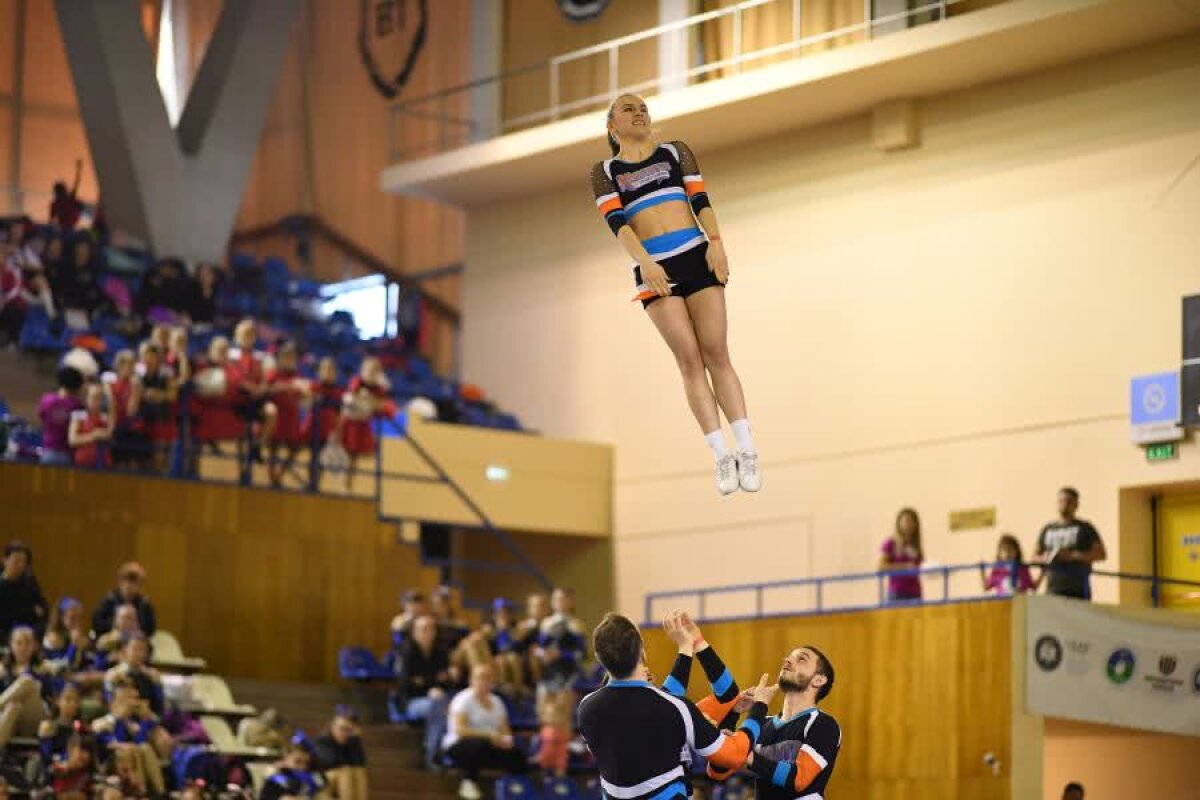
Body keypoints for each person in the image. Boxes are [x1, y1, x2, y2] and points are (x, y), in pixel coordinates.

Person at [591, 94, 759, 496]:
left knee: (716, 351)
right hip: (655, 267)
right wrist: (646, 263)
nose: (640, 112)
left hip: (695, 254)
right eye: (629, 109)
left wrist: (716, 242)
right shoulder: (606, 170)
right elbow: (618, 223)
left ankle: (747, 449)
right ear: (612, 126)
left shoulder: (674, 152)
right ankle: (720, 454)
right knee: (689, 359)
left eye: (644, 107)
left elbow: (700, 200)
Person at [577, 612, 771, 800]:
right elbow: (734, 755)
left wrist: (687, 647)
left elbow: (665, 701)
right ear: (641, 650)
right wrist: (760, 707)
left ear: (599, 658)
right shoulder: (673, 708)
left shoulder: (586, 708)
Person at [443, 663, 527, 800]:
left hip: (490, 746)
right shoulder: (462, 700)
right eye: (480, 677)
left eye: (488, 678)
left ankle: (515, 789)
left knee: (517, 754)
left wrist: (506, 741)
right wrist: (488, 735)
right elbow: (460, 730)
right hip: (459, 745)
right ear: (471, 680)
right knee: (478, 745)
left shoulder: (497, 702)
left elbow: (506, 731)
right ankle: (468, 782)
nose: (484, 681)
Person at [395, 614, 458, 769]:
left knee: (450, 704)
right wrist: (432, 684)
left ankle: (448, 751)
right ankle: (433, 755)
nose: (428, 632)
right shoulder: (407, 651)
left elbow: (447, 682)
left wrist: (443, 678)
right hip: (411, 702)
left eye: (431, 628)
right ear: (414, 632)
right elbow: (405, 684)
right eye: (423, 629)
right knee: (438, 704)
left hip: (438, 700)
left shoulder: (440, 652)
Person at [1035, 487, 1106, 601]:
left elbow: (1101, 554)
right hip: (1053, 589)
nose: (1064, 504)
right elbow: (1034, 556)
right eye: (1061, 501)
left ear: (1076, 504)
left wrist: (1072, 556)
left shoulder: (1085, 528)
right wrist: (1046, 558)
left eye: (1068, 501)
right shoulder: (1047, 529)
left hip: (1078, 590)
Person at [340, 356, 393, 493]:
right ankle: (343, 484)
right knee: (345, 454)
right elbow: (349, 399)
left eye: (375, 371)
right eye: (369, 370)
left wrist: (374, 403)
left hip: (362, 426)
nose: (372, 373)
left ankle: (348, 485)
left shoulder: (378, 389)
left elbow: (385, 407)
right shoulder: (356, 382)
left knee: (354, 457)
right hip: (349, 423)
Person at [230, 318, 278, 464]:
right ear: (237, 336)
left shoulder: (261, 357)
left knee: (271, 411)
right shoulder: (231, 354)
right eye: (245, 334)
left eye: (251, 334)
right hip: (236, 400)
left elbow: (268, 375)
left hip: (256, 399)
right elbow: (232, 375)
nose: (248, 338)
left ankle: (257, 446)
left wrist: (262, 387)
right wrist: (248, 387)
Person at [0, 626, 53, 749]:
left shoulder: (43, 668)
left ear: (34, 646)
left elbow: (49, 698)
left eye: (28, 643)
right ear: (11, 645)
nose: (23, 648)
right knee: (13, 706)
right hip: (10, 718)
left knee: (27, 681)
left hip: (36, 717)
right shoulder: (4, 671)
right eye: (19, 643)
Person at [266, 341, 309, 488]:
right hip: (278, 417)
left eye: (292, 358)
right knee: (274, 448)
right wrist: (283, 387)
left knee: (295, 447)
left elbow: (304, 398)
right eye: (287, 358)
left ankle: (280, 475)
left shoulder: (298, 375)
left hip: (292, 418)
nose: (290, 361)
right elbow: (266, 390)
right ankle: (273, 478)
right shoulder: (274, 374)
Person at [312, 707, 369, 800]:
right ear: (332, 727)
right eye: (342, 729)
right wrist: (344, 745)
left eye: (349, 730)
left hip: (342, 780)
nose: (345, 733)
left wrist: (355, 740)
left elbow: (360, 762)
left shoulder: (351, 741)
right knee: (345, 771)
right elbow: (332, 762)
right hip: (318, 781)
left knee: (360, 771)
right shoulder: (322, 741)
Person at [92, 562, 157, 637]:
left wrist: (135, 626)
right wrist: (115, 624)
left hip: (136, 640)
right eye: (127, 579)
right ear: (120, 581)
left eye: (134, 581)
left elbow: (150, 629)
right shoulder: (109, 600)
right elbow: (97, 624)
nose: (129, 585)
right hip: (111, 640)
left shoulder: (144, 604)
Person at [0, 541, 48, 642]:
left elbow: (42, 610)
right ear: (5, 560)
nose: (20, 565)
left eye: (23, 562)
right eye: (16, 561)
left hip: (29, 635)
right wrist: (31, 611)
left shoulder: (30, 582)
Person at [38, 366, 85, 465]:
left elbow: (41, 416)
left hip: (48, 451)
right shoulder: (77, 405)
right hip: (66, 453)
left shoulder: (46, 400)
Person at [878, 507, 924, 603]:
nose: (908, 524)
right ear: (899, 523)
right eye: (906, 520)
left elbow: (919, 565)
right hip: (897, 592)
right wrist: (904, 566)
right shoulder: (891, 543)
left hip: (915, 591)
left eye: (911, 521)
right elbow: (880, 566)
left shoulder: (916, 544)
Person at [69, 382, 114, 468]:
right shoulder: (79, 415)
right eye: (94, 397)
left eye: (100, 397)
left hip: (102, 463)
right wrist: (93, 435)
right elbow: (72, 440)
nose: (98, 401)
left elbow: (110, 435)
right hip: (83, 463)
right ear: (86, 398)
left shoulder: (105, 416)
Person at [49, 159, 83, 231]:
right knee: (80, 204)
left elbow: (51, 220)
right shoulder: (68, 198)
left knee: (79, 204)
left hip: (67, 225)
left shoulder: (55, 204)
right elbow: (77, 182)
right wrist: (79, 169)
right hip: (69, 225)